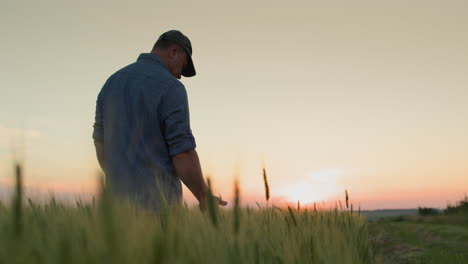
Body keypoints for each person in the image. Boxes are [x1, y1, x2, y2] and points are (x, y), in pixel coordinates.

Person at [92, 30, 227, 211]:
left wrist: (120, 179)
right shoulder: (172, 87)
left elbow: (100, 143)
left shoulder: (111, 83)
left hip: (115, 209)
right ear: (173, 52)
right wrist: (203, 196)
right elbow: (182, 152)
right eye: (183, 65)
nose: (180, 75)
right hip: (158, 208)